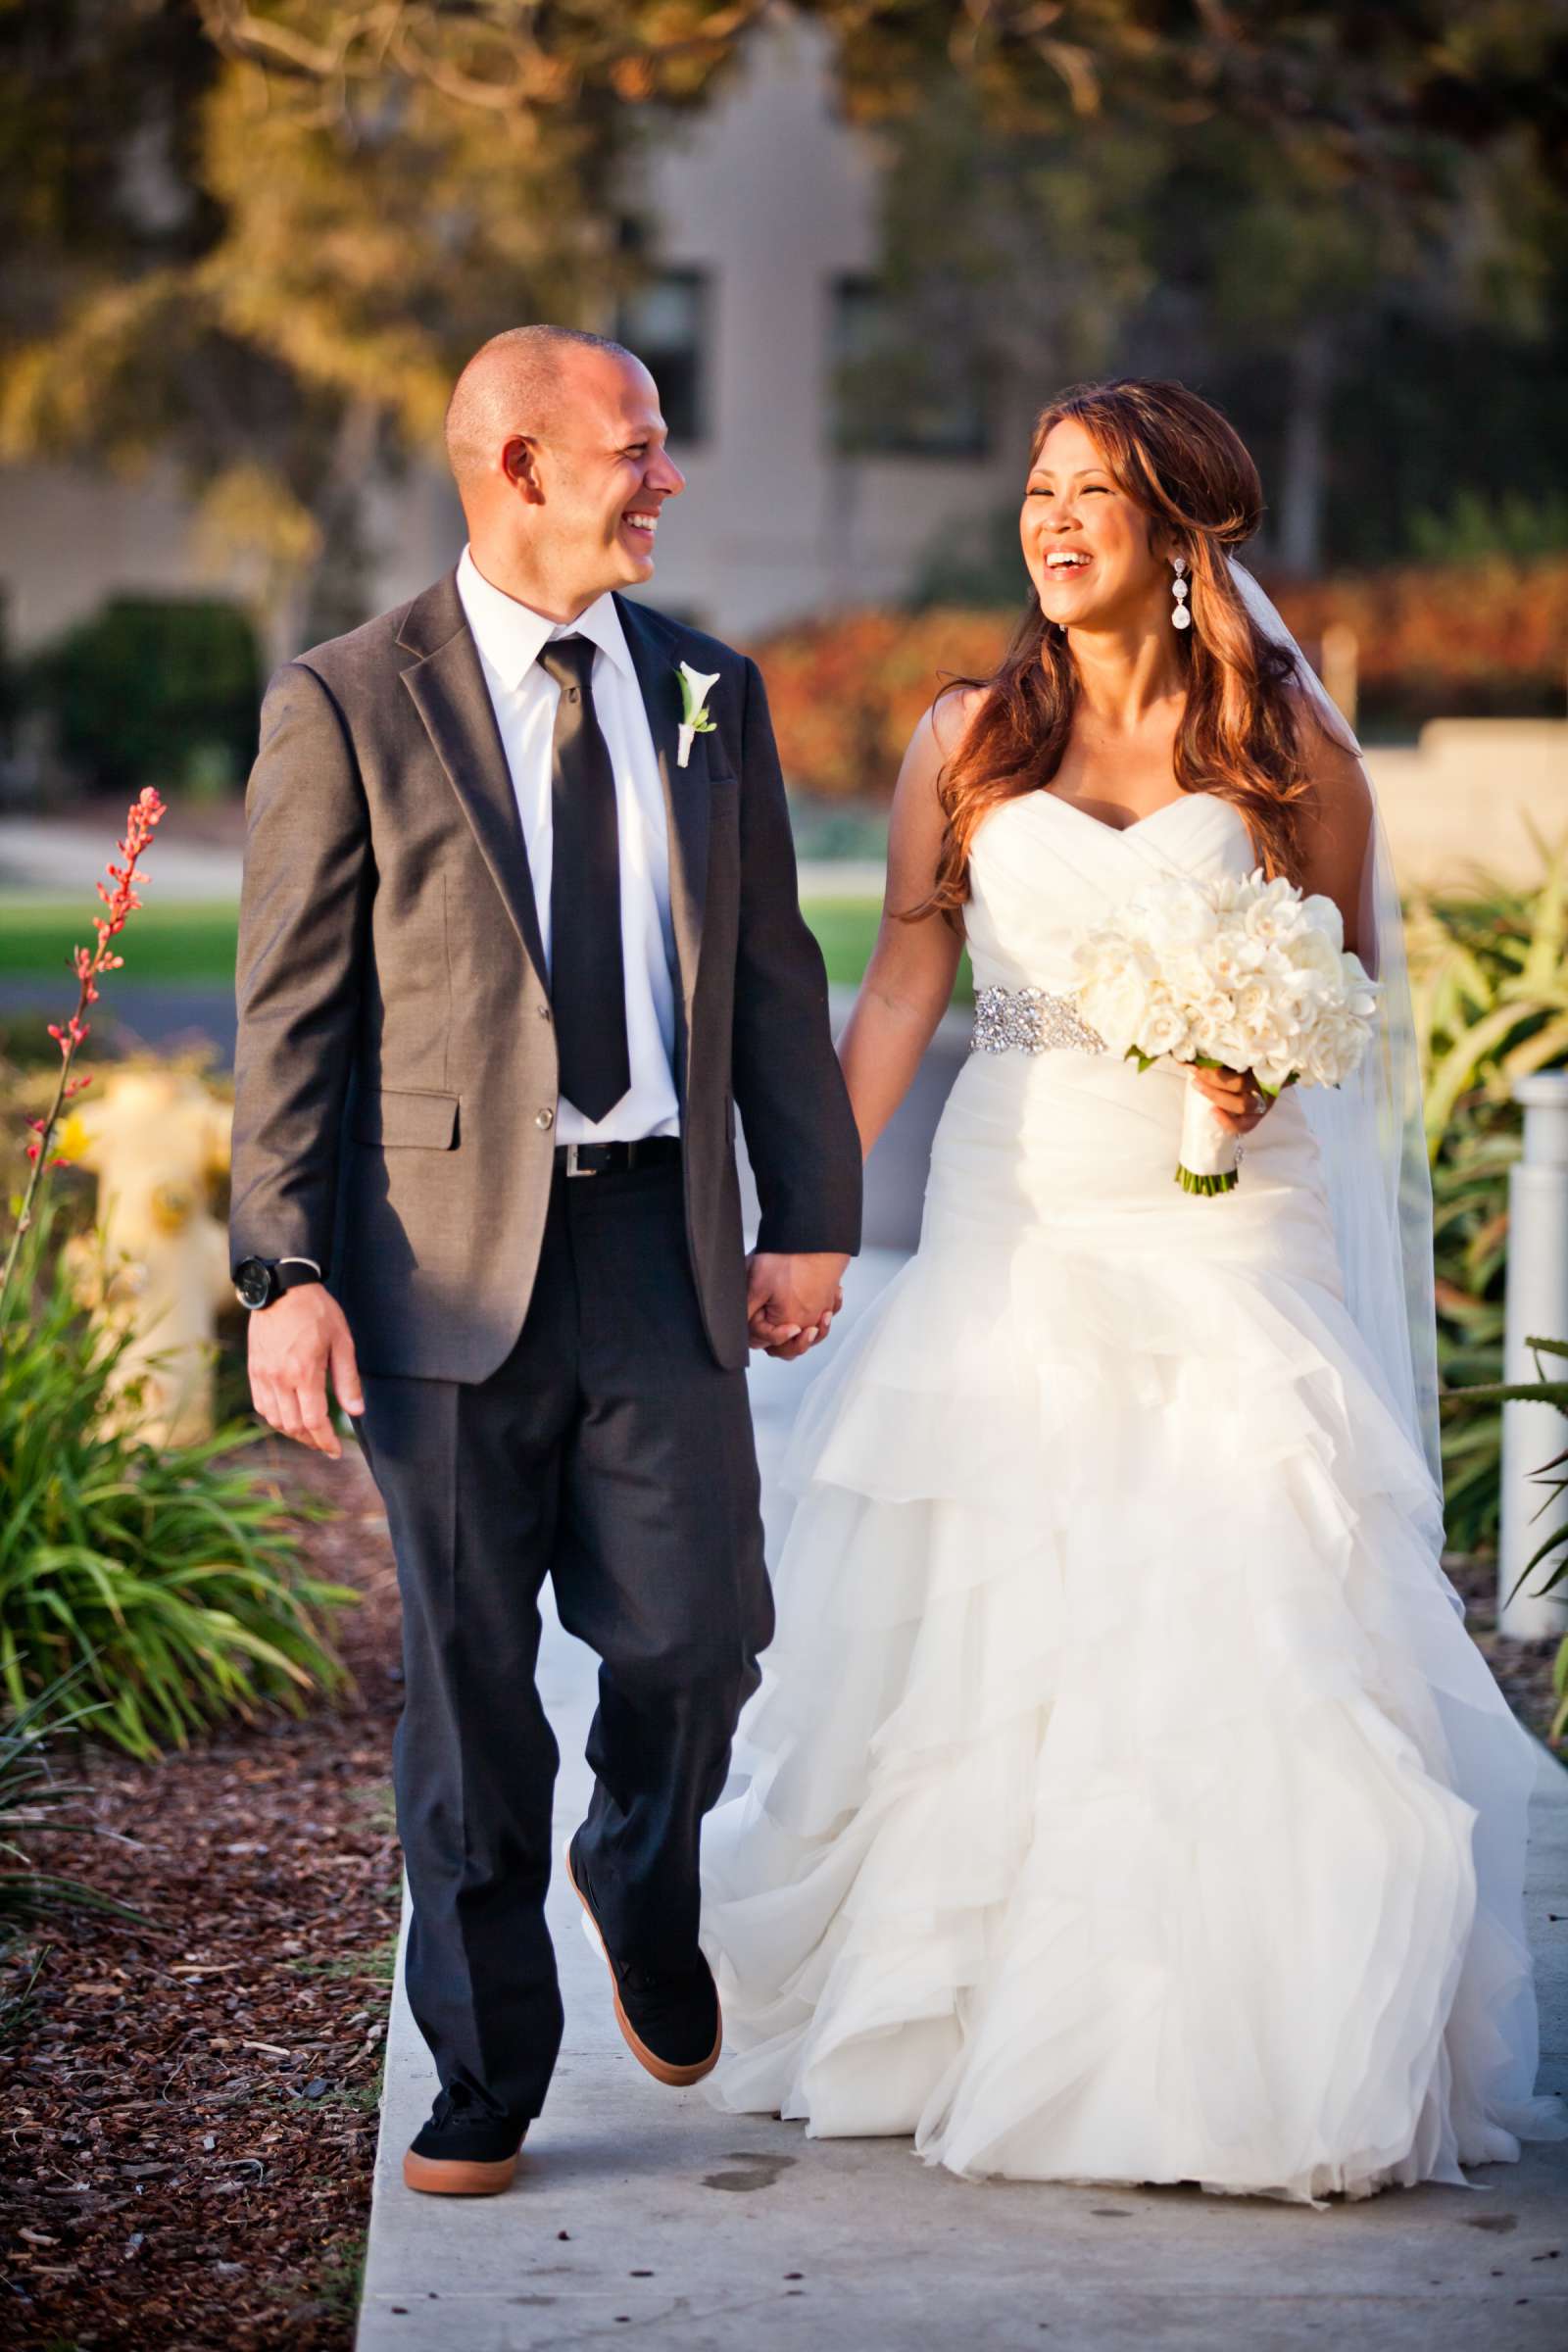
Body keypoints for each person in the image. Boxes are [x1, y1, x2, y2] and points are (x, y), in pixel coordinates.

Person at [700, 377, 1565, 2203]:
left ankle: (1250, 2040)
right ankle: (974, 2006)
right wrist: (818, 1218)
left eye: (1096, 490)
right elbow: (903, 991)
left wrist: (1264, 1070)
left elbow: (1337, 995)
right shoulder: (963, 733)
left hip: (1225, 1217)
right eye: (1038, 486)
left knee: (1241, 1581)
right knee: (1004, 1596)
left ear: (1185, 534)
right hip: (1021, 1200)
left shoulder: (1290, 754)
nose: (1054, 516)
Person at [229, 325, 860, 2197]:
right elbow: (293, 1017)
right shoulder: (347, 700)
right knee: (471, 1690)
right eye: (638, 446)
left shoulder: (710, 693)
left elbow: (770, 977)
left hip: (659, 1246)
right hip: (435, 1275)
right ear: (516, 464)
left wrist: (808, 1212)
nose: (667, 478)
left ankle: (639, 1871)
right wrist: (286, 1267)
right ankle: (486, 2068)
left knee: (700, 1639)